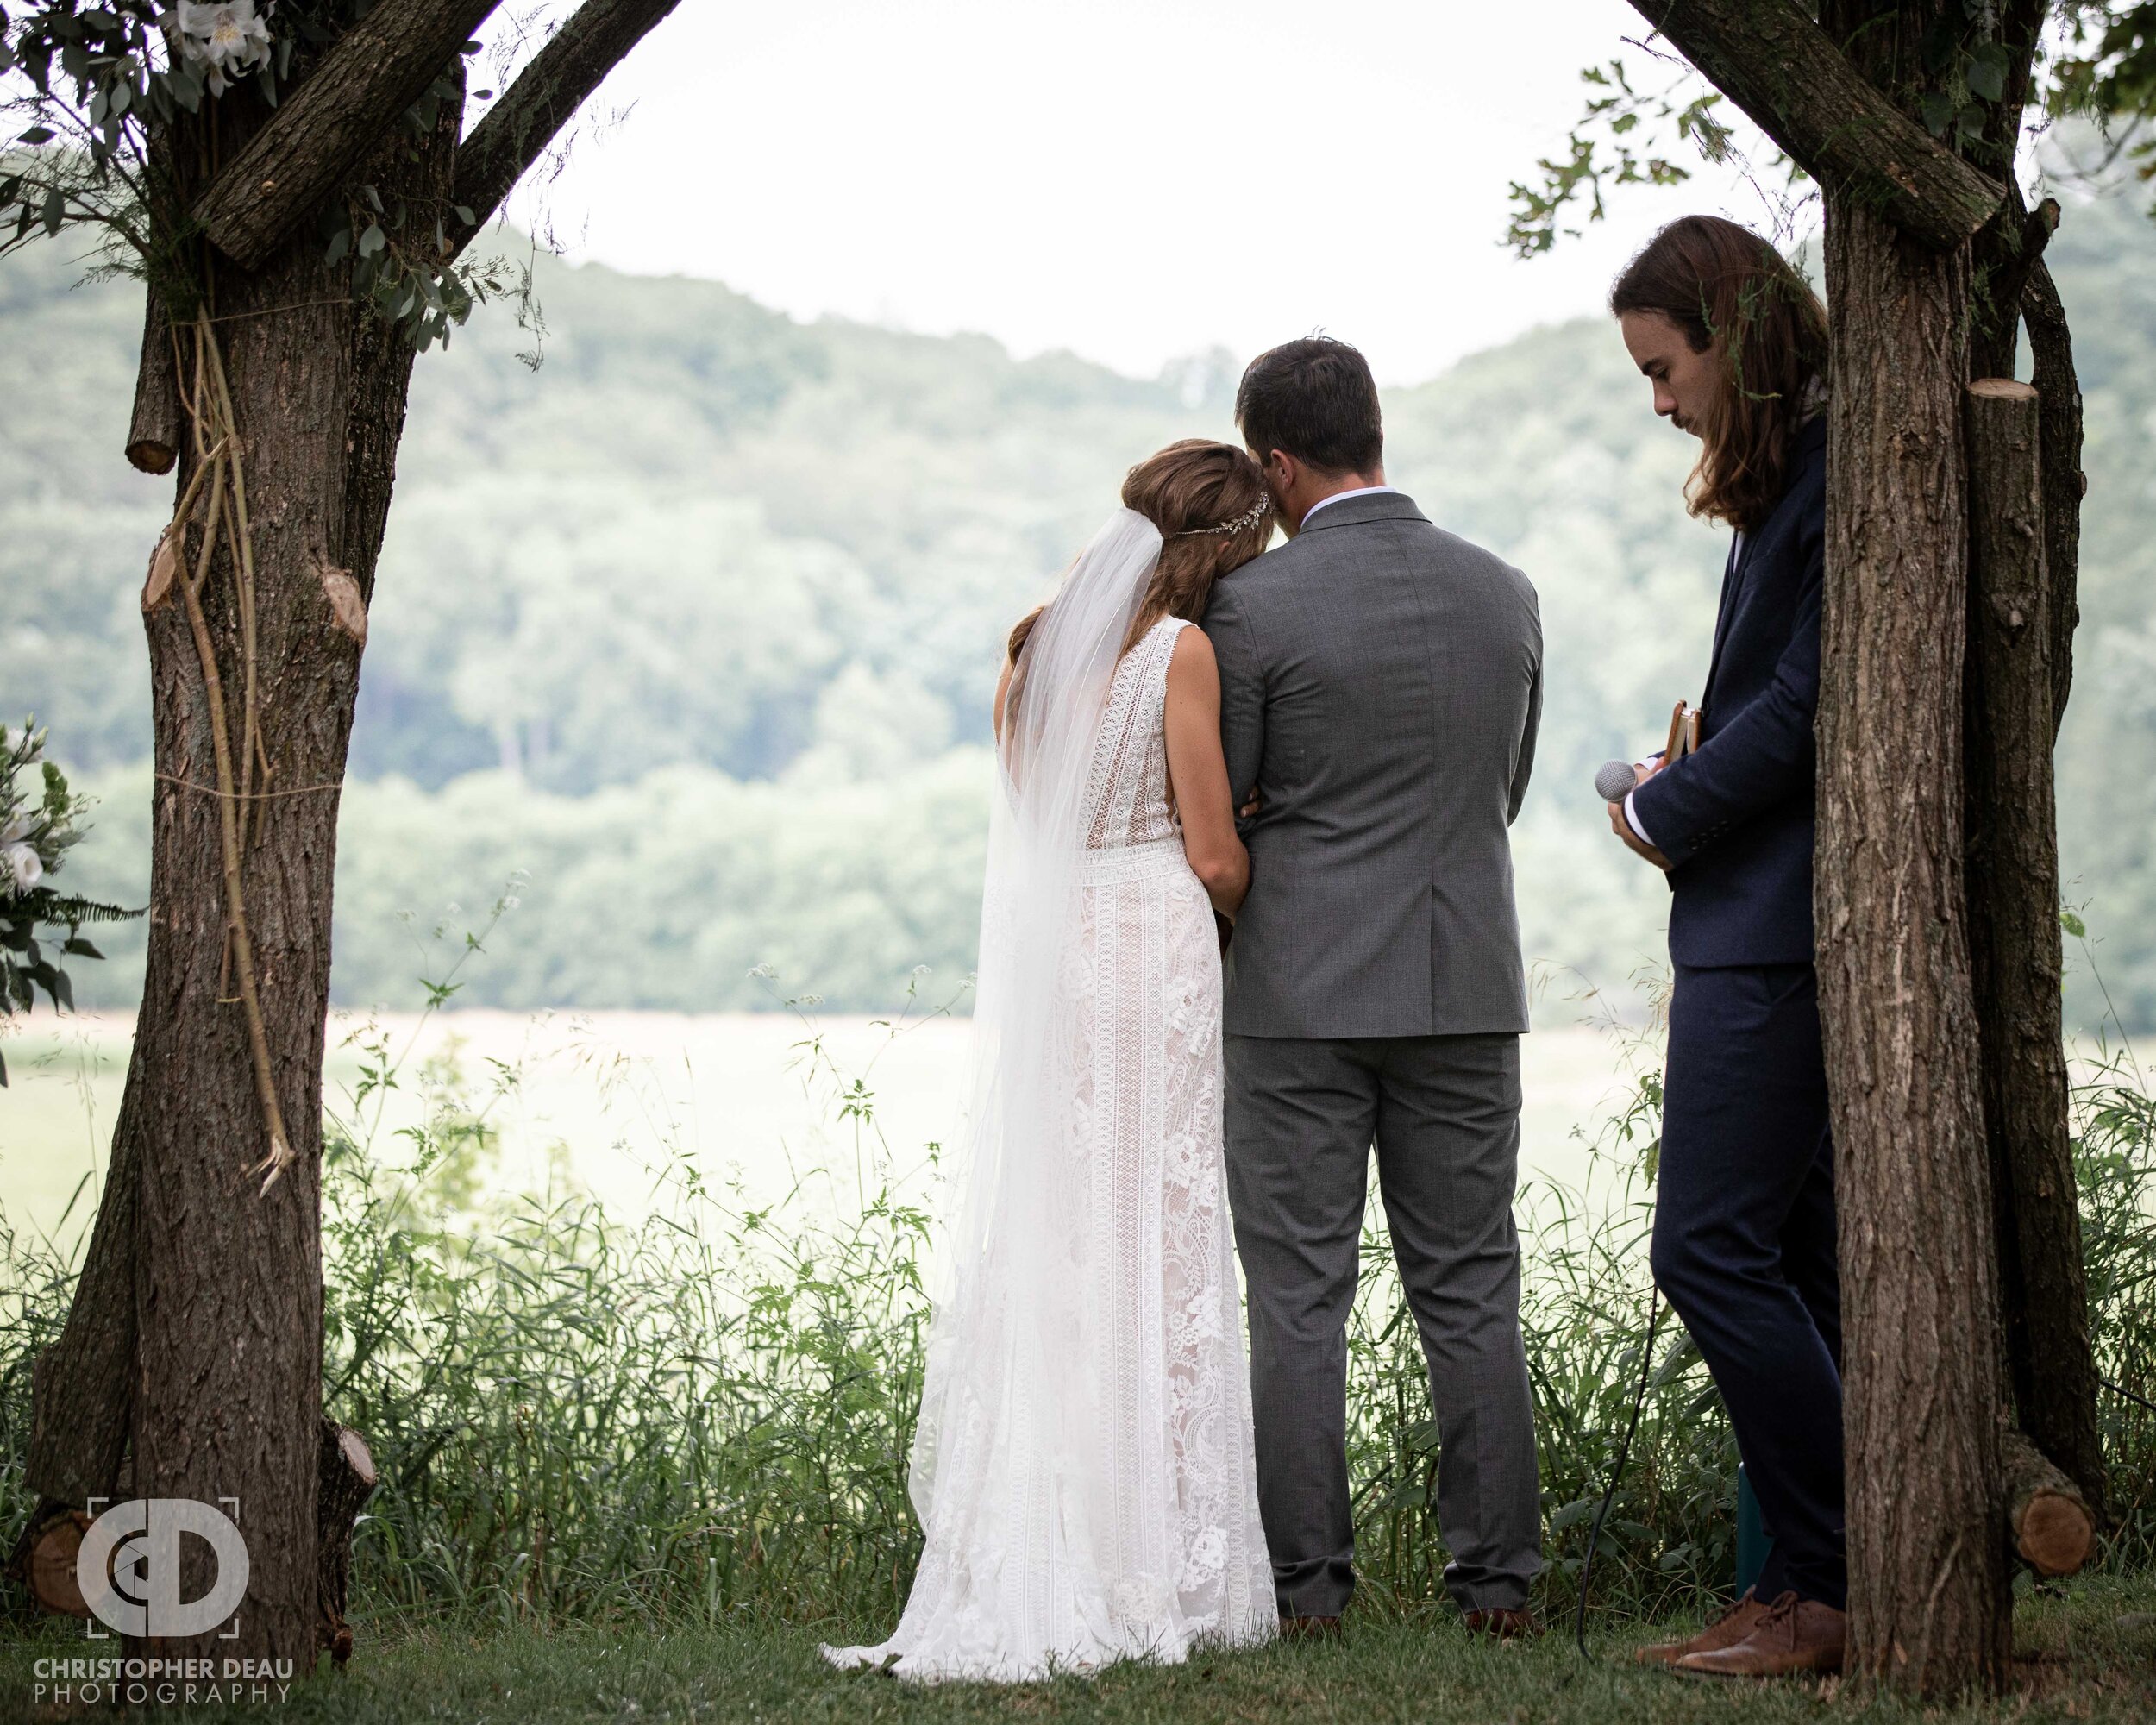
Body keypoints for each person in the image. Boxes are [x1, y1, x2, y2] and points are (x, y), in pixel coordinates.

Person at [822, 440, 1278, 1682]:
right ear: (1218, 553)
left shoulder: (1030, 653)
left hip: (1062, 948)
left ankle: (1061, 1525)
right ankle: (1159, 1553)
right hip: (1151, 947)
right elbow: (1215, 854)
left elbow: (1039, 825)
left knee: (1072, 1231)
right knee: (1160, 1224)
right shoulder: (1178, 653)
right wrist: (1257, 883)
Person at [1204, 336, 1545, 1639]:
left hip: (1295, 997)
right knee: (1472, 1287)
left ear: (1279, 462)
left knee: (1297, 1294)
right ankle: (1498, 1588)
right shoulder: (1503, 591)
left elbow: (1222, 809)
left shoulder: (1253, 611)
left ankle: (1308, 1595)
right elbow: (1498, 795)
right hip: (1465, 982)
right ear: (1375, 433)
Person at [1605, 214, 1846, 1678]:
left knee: (1704, 1250)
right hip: (1759, 912)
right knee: (1792, 1264)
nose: (1660, 401)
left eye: (1663, 365)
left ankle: (1829, 1576)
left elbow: (1808, 708)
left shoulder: (1828, 470)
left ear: (1730, 334)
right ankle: (1807, 1586)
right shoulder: (1789, 479)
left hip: (1770, 929)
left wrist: (1661, 811)